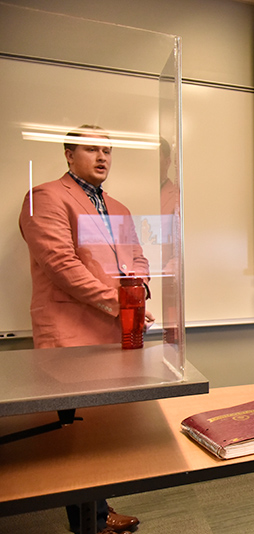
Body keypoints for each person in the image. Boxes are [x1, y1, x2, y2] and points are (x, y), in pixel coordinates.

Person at [19, 125, 151, 533]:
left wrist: (140, 293)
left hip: (115, 333)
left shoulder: (120, 207)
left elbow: (139, 259)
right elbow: (61, 266)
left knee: (103, 434)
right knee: (74, 437)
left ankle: (99, 513)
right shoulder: (45, 197)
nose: (103, 157)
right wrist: (120, 303)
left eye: (108, 150)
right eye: (92, 148)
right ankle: (89, 524)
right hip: (70, 334)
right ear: (68, 153)